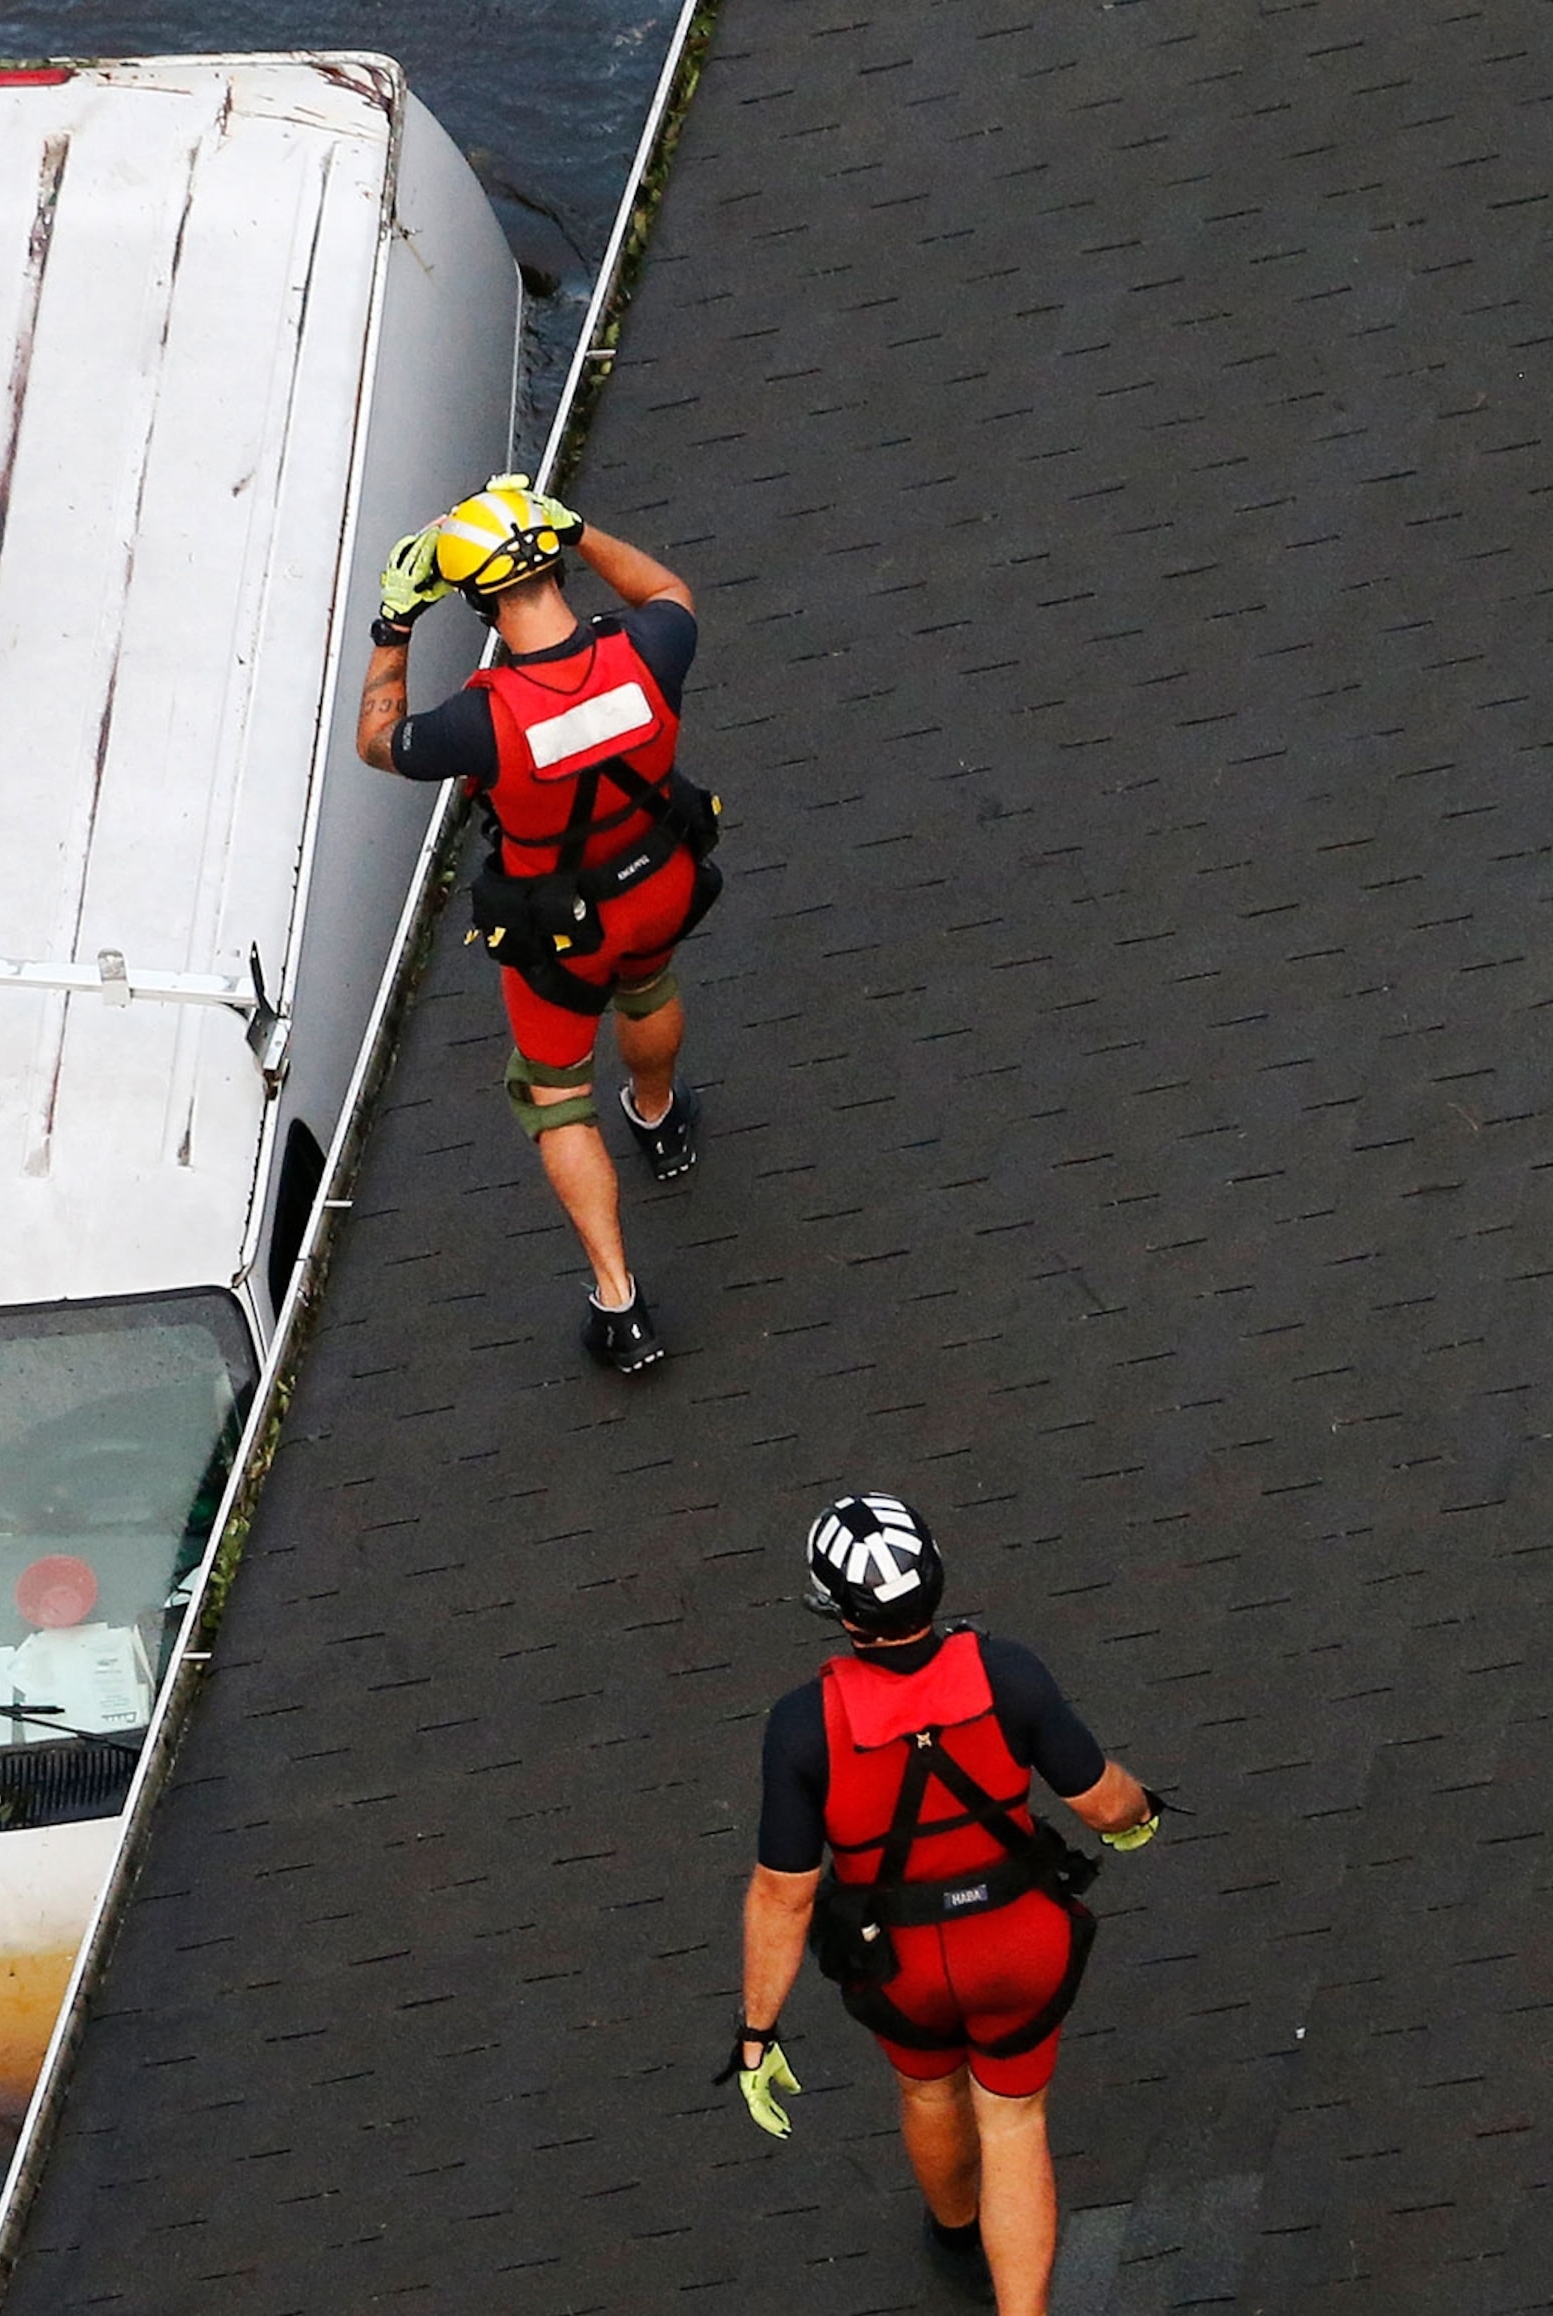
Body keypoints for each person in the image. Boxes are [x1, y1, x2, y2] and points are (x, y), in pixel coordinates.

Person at [722, 1493, 1166, 2312]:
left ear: (834, 1608)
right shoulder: (1009, 1674)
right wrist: (1143, 1817)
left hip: (900, 1965)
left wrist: (757, 2032)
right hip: (1020, 1946)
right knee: (1014, 2121)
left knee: (929, 2092)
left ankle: (956, 2231)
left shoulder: (801, 1728)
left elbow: (782, 1898)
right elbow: (1105, 1803)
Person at [356, 479, 716, 1373]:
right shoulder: (648, 650)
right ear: (552, 559)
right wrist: (581, 525)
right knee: (652, 987)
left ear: (475, 597)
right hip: (660, 880)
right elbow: (669, 590)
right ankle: (663, 1121)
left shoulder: (480, 721)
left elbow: (379, 740)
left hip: (561, 932)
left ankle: (620, 1304)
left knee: (556, 1094)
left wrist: (395, 623)